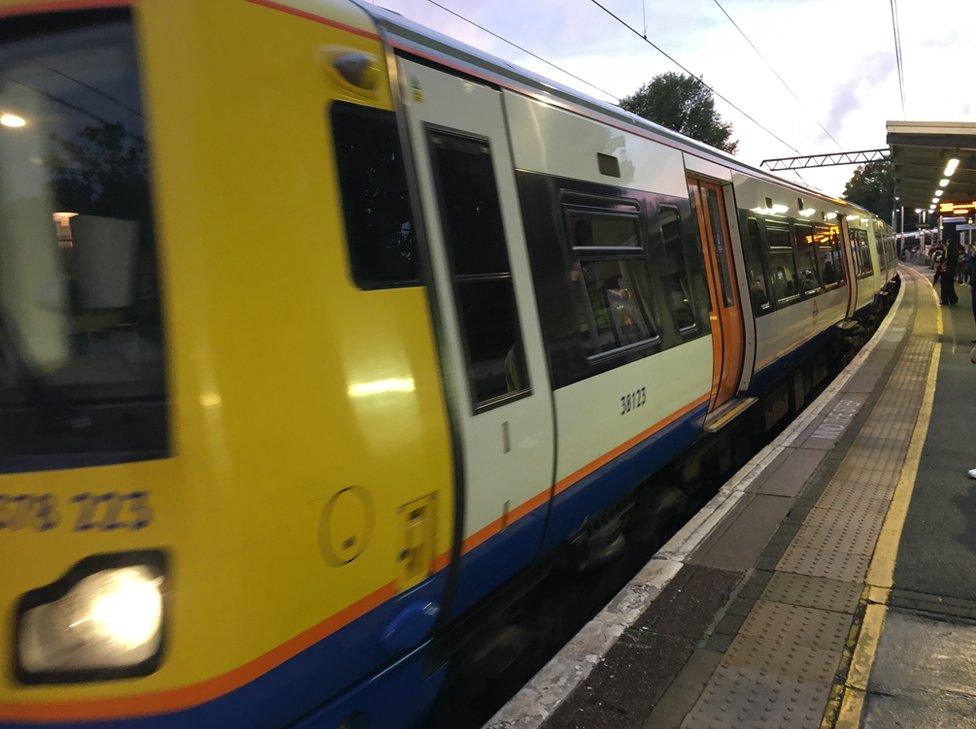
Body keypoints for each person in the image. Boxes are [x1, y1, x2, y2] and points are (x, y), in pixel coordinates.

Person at [941, 236, 960, 306]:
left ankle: (946, 300)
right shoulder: (953, 251)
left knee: (945, 286)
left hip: (947, 271)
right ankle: (952, 300)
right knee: (949, 286)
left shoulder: (949, 251)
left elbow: (945, 260)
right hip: (949, 271)